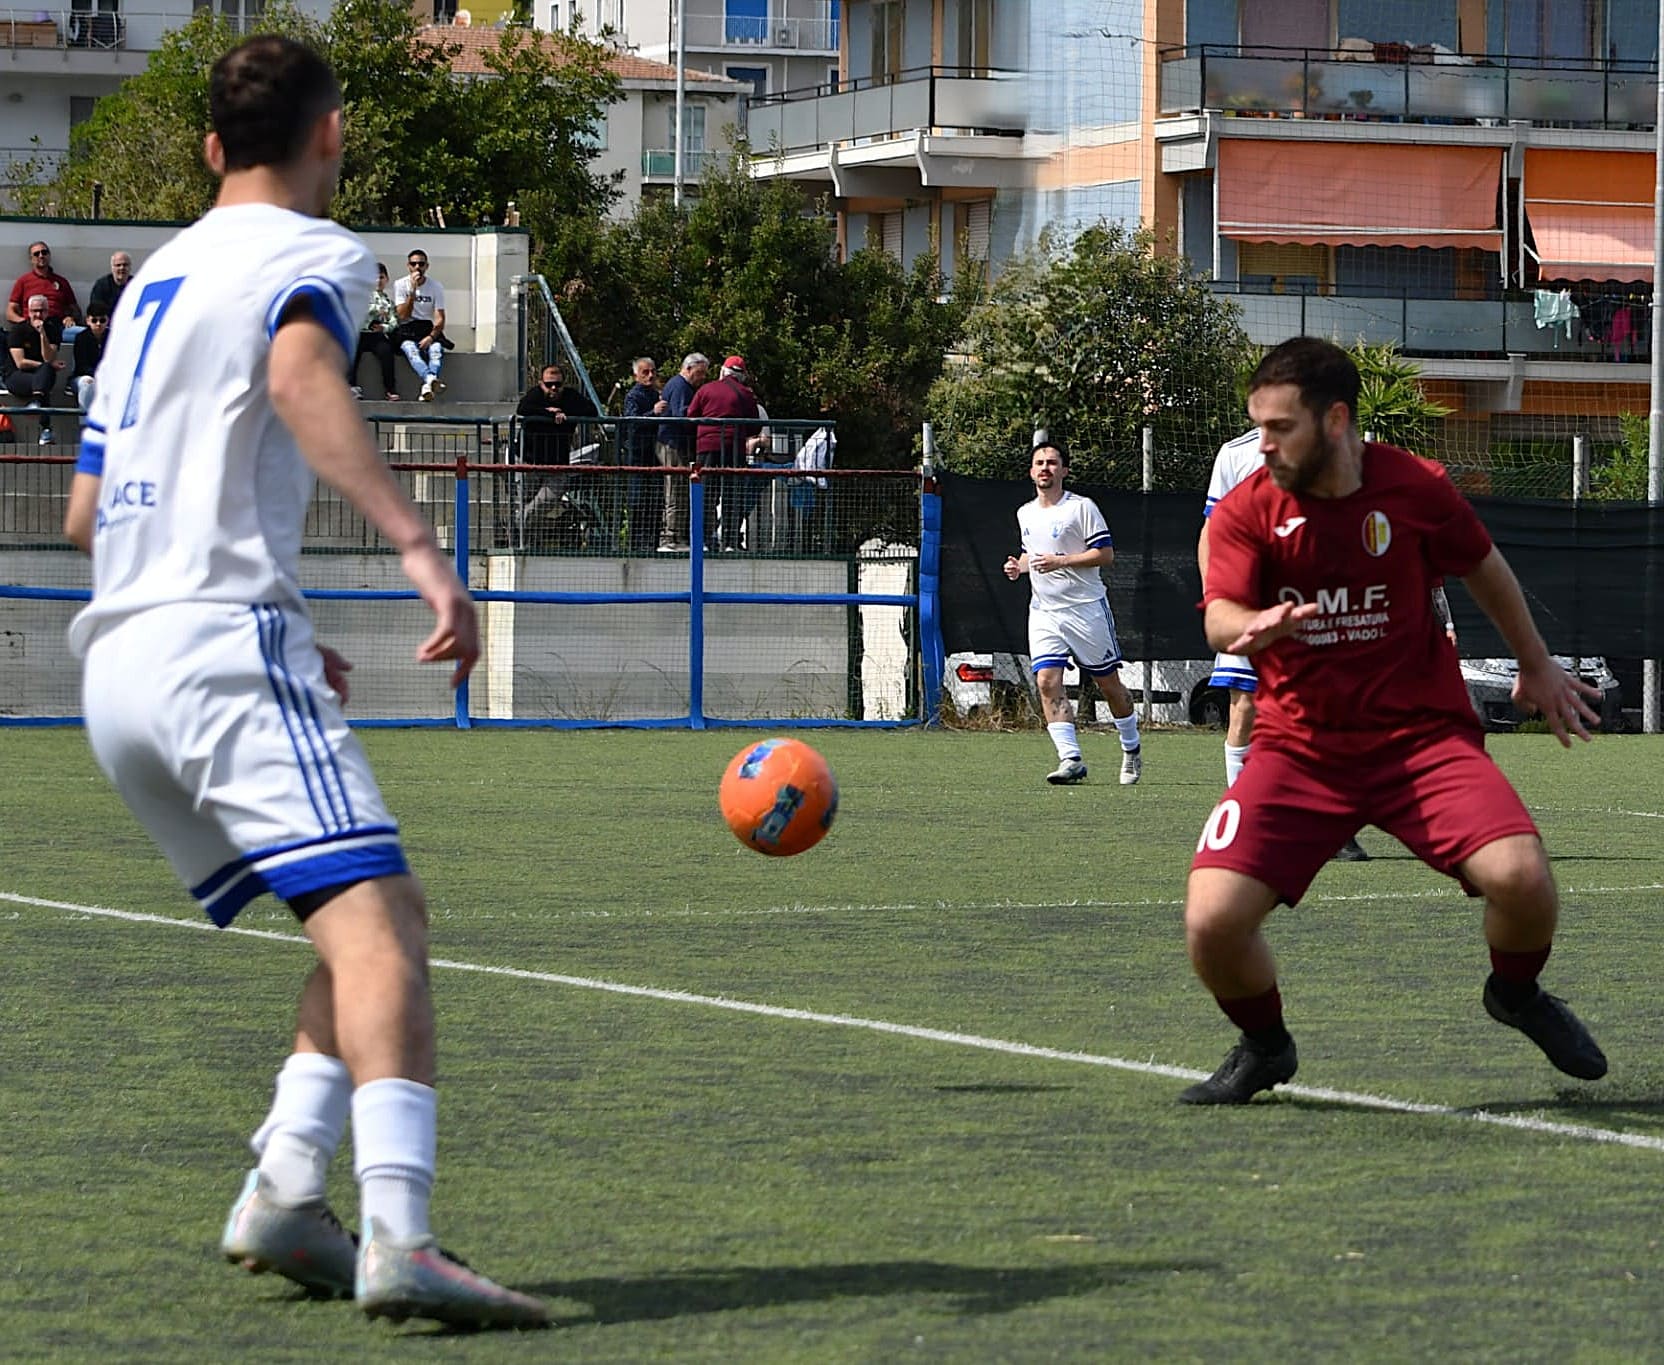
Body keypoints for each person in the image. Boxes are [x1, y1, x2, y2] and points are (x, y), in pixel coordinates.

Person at [59, 35, 546, 1327]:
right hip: (216, 649)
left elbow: (83, 513)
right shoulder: (315, 255)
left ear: (211, 146)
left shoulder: (149, 287)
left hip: (121, 661)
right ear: (331, 135)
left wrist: (242, 609)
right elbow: (295, 379)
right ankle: (401, 1234)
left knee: (369, 919)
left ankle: (283, 1188)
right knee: (382, 933)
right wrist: (420, 551)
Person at [1181, 337, 1606, 1105]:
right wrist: (1249, 624)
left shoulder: (1414, 486)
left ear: (1336, 419)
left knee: (1524, 880)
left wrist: (1535, 662)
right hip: (1298, 752)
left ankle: (1515, 992)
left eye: (1279, 427)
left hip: (1421, 744)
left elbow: (1483, 565)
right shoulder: (1250, 507)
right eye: (1258, 426)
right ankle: (1266, 1044)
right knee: (1212, 922)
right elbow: (1219, 614)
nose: (1262, 445)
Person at [1199, 427, 1371, 863]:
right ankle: (1246, 818)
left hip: (1315, 602)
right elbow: (1212, 530)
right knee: (1244, 706)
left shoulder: (1331, 446)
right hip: (1250, 601)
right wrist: (1216, 595)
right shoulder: (1234, 453)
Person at [1002, 439, 1144, 786]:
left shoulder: (1081, 508)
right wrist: (1019, 566)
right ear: (1031, 472)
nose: (1045, 468)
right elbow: (1032, 554)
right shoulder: (1025, 513)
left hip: (1085, 610)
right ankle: (1071, 759)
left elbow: (1105, 554)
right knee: (1046, 681)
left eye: (1052, 462)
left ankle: (1131, 747)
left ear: (1064, 470)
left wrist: (1061, 561)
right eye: (1039, 463)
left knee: (1108, 685)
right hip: (1044, 611)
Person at [686, 354, 759, 551]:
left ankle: (703, 540)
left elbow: (691, 415)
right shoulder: (746, 394)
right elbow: (755, 426)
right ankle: (730, 541)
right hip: (734, 448)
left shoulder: (706, 389)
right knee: (733, 494)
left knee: (706, 494)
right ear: (742, 375)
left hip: (707, 447)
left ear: (723, 371)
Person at [515, 363, 598, 533]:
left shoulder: (570, 397)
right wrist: (549, 413)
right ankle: (525, 539)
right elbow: (522, 409)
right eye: (549, 384)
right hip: (529, 461)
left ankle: (517, 525)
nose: (553, 388)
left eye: (558, 384)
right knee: (525, 500)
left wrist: (565, 413)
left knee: (546, 501)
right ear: (541, 384)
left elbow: (592, 411)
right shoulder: (535, 395)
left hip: (557, 464)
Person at [654, 352, 707, 551]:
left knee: (680, 490)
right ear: (688, 369)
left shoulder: (682, 386)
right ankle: (670, 538)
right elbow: (682, 414)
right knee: (675, 491)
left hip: (677, 443)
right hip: (673, 443)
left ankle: (676, 536)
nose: (702, 378)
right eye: (700, 373)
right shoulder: (680, 386)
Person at [7, 293, 65, 444]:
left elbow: (48, 357)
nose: (38, 315)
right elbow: (20, 363)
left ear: (47, 312)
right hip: (18, 376)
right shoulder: (18, 330)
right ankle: (46, 429)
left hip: (42, 377)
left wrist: (42, 335)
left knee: (45, 373)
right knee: (44, 375)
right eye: (35, 311)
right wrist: (47, 365)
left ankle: (36, 403)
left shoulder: (52, 330)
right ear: (28, 311)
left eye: (42, 311)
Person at [622, 356, 664, 553]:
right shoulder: (633, 396)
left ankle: (652, 542)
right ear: (636, 376)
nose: (650, 376)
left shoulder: (656, 395)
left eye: (653, 371)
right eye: (645, 372)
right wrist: (653, 413)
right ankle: (637, 544)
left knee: (655, 500)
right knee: (638, 500)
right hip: (637, 453)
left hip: (654, 454)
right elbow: (632, 421)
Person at [393, 248, 445, 401]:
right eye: (413, 264)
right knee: (411, 350)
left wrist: (431, 337)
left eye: (421, 264)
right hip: (407, 329)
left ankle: (427, 385)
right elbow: (402, 315)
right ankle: (430, 379)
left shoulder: (436, 286)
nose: (417, 267)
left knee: (436, 350)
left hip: (426, 328)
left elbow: (440, 317)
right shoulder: (400, 284)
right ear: (408, 266)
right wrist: (413, 291)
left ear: (426, 266)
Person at [351, 262, 400, 401]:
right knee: (352, 353)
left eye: (381, 277)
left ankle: (390, 389)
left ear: (386, 279)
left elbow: (394, 321)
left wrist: (384, 327)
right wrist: (375, 311)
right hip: (360, 333)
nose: (378, 281)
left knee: (386, 353)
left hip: (376, 335)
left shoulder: (388, 302)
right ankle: (351, 386)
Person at [7, 240, 82, 326]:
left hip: (56, 325)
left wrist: (70, 318)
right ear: (31, 259)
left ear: (49, 255)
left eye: (44, 252)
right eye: (36, 254)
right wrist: (25, 323)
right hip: (31, 325)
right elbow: (10, 313)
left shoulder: (62, 282)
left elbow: (76, 310)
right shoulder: (23, 281)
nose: (41, 256)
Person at [71, 308, 109, 412]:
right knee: (87, 383)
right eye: (94, 320)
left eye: (102, 320)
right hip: (83, 376)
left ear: (107, 321)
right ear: (88, 321)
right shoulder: (81, 338)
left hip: (107, 376)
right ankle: (84, 420)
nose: (98, 324)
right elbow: (81, 366)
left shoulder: (113, 338)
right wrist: (99, 375)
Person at [88, 250, 134, 320]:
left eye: (125, 265)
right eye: (118, 265)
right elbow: (96, 310)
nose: (122, 268)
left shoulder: (136, 284)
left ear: (130, 267)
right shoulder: (101, 285)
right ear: (112, 267)